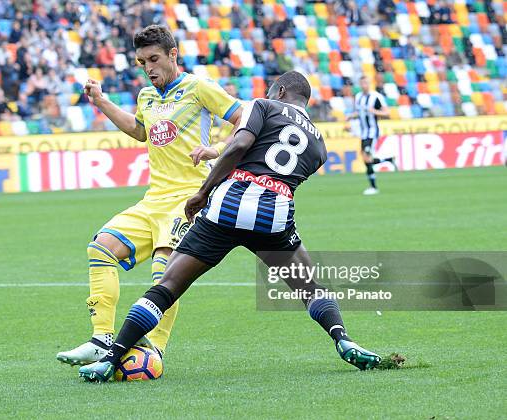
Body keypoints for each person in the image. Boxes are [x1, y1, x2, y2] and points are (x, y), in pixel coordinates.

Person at [79, 71, 382, 382]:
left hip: (228, 206)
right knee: (309, 287)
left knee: (168, 285)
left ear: (278, 91)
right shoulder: (319, 144)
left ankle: (110, 359)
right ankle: (342, 337)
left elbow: (240, 146)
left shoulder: (263, 106)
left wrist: (203, 191)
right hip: (273, 215)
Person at [56, 25, 242, 367]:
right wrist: (101, 102)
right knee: (100, 249)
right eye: (142, 62)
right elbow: (139, 131)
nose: (148, 67)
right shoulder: (147, 96)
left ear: (173, 54)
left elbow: (245, 117)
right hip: (154, 199)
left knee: (165, 274)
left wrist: (215, 149)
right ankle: (101, 340)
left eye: (154, 59)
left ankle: (154, 349)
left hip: (189, 199)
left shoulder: (198, 87)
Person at [349, 76, 394, 195]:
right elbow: (359, 112)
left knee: (367, 156)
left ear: (370, 84)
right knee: (365, 158)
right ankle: (388, 160)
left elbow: (387, 112)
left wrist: (374, 111)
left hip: (372, 132)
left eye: (366, 83)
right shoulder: (358, 97)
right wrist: (351, 116)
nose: (364, 85)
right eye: (362, 83)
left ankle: (373, 187)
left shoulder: (376, 97)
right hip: (363, 133)